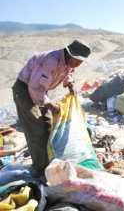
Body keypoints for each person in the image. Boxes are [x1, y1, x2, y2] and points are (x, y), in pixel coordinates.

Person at [12, 39, 91, 177]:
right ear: (69, 53)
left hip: (41, 93)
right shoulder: (51, 61)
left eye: (81, 62)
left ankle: (50, 164)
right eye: (77, 60)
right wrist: (51, 105)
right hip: (25, 91)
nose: (79, 64)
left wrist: (70, 85)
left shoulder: (68, 61)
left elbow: (68, 73)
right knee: (36, 131)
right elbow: (35, 87)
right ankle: (40, 170)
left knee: (50, 127)